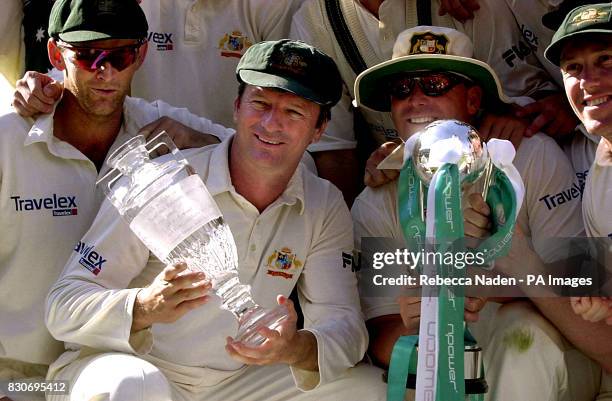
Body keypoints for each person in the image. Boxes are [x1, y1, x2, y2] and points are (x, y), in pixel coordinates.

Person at [44, 38, 386, 401]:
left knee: (368, 389)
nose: (272, 124)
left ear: (319, 130)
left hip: (234, 383)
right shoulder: (160, 181)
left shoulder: (323, 202)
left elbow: (344, 324)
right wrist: (145, 306)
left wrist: (294, 348)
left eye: (294, 112)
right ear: (237, 106)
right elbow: (62, 306)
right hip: (133, 367)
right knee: (137, 387)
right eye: (260, 103)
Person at [0, 1, 234, 400]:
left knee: (131, 386)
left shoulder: (162, 126)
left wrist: (199, 143)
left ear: (140, 55)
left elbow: (270, 158)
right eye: (88, 56)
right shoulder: (7, 141)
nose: (105, 71)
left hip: (111, 365)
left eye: (120, 56)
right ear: (56, 54)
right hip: (22, 379)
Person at [349, 25, 587, 398]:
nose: (415, 100)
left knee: (521, 333)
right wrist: (419, 325)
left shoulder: (531, 157)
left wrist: (482, 287)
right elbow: (380, 334)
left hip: (553, 355)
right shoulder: (376, 197)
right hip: (443, 361)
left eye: (435, 84)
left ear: (473, 100)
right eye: (401, 90)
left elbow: (580, 282)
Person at [461, 4, 612, 400]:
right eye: (573, 69)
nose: (589, 81)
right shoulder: (598, 158)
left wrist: (522, 263)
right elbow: (589, 292)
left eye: (606, 60)